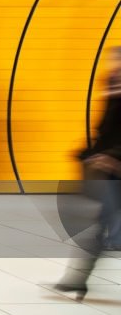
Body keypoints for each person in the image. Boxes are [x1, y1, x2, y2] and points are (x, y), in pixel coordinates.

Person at [52, 46, 121, 300]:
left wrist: (113, 154)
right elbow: (106, 128)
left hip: (114, 165)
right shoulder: (113, 87)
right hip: (111, 170)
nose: (116, 68)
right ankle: (78, 280)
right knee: (101, 224)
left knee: (105, 224)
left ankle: (78, 280)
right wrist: (89, 152)